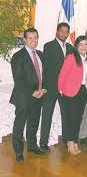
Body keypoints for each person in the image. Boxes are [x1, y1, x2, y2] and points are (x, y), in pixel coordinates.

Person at [10, 28, 46, 162]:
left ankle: (32, 146)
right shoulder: (18, 56)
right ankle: (18, 151)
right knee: (19, 125)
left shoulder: (41, 55)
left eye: (35, 37)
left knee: (33, 123)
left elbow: (44, 75)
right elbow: (18, 79)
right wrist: (32, 92)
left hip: (39, 95)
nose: (33, 40)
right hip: (24, 97)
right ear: (24, 40)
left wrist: (44, 89)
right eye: (30, 38)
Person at [40, 23, 73, 152]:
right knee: (47, 114)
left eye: (66, 32)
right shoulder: (48, 46)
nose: (64, 34)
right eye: (62, 31)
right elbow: (46, 68)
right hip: (52, 86)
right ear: (57, 32)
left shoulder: (71, 47)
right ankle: (43, 142)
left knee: (66, 114)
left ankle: (66, 139)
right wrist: (44, 87)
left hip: (65, 88)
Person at [58, 36, 87, 155]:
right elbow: (62, 74)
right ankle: (70, 142)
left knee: (78, 118)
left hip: (82, 91)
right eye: (81, 44)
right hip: (69, 91)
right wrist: (61, 90)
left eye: (86, 44)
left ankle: (75, 140)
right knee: (70, 119)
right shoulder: (71, 57)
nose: (83, 47)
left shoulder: (86, 59)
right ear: (76, 46)